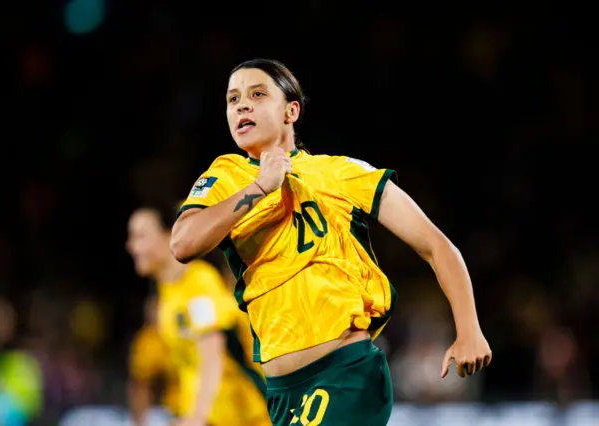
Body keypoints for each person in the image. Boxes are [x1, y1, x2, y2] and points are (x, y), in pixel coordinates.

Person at [170, 59, 492, 426]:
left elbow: (437, 246)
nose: (242, 105)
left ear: (291, 110)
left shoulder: (341, 174)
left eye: (257, 94)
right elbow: (183, 244)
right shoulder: (225, 176)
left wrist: (469, 331)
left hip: (345, 374)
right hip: (280, 392)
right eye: (233, 99)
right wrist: (260, 187)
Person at [126, 204, 271, 426]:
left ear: (168, 236)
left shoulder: (199, 283)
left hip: (246, 417)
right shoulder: (167, 294)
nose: (131, 246)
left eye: (141, 236)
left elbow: (212, 351)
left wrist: (197, 417)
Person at [127, 295, 181, 425]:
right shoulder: (149, 341)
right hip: (172, 410)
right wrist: (139, 421)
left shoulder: (194, 332)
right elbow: (140, 383)